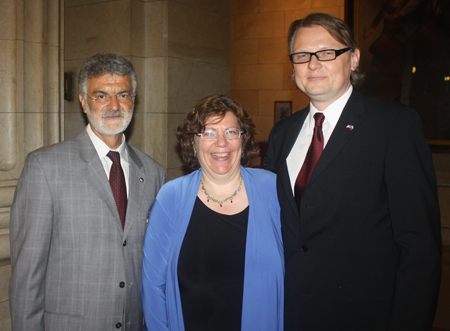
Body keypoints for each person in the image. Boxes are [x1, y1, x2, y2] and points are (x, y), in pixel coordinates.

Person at [265, 13, 442, 331]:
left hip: (365, 316)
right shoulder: (282, 134)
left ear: (355, 58)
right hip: (291, 313)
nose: (314, 64)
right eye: (302, 56)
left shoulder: (394, 125)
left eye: (327, 53)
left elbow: (419, 246)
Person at [9, 53, 165, 331]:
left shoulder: (152, 172)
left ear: (134, 99)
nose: (114, 105)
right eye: (101, 95)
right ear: (83, 101)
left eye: (124, 94)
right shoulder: (45, 167)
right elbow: (27, 274)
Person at [141, 95, 284, 331]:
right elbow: (153, 286)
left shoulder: (273, 190)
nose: (221, 143)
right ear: (192, 143)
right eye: (208, 133)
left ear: (243, 139)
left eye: (231, 132)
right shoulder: (171, 197)